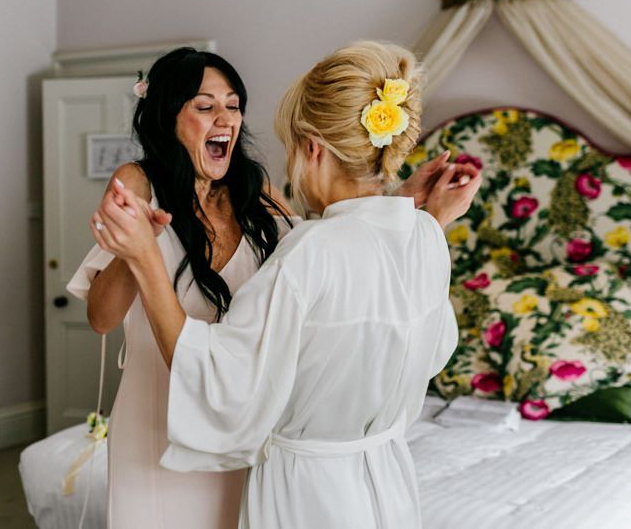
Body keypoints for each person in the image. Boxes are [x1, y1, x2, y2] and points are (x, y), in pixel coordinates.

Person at [67, 46, 480, 529]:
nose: (225, 117)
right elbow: (100, 317)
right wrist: (140, 251)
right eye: (205, 106)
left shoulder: (258, 192)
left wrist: (393, 211)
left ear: (312, 148)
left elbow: (333, 261)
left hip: (246, 421)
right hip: (163, 416)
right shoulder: (137, 183)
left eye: (234, 105)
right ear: (166, 117)